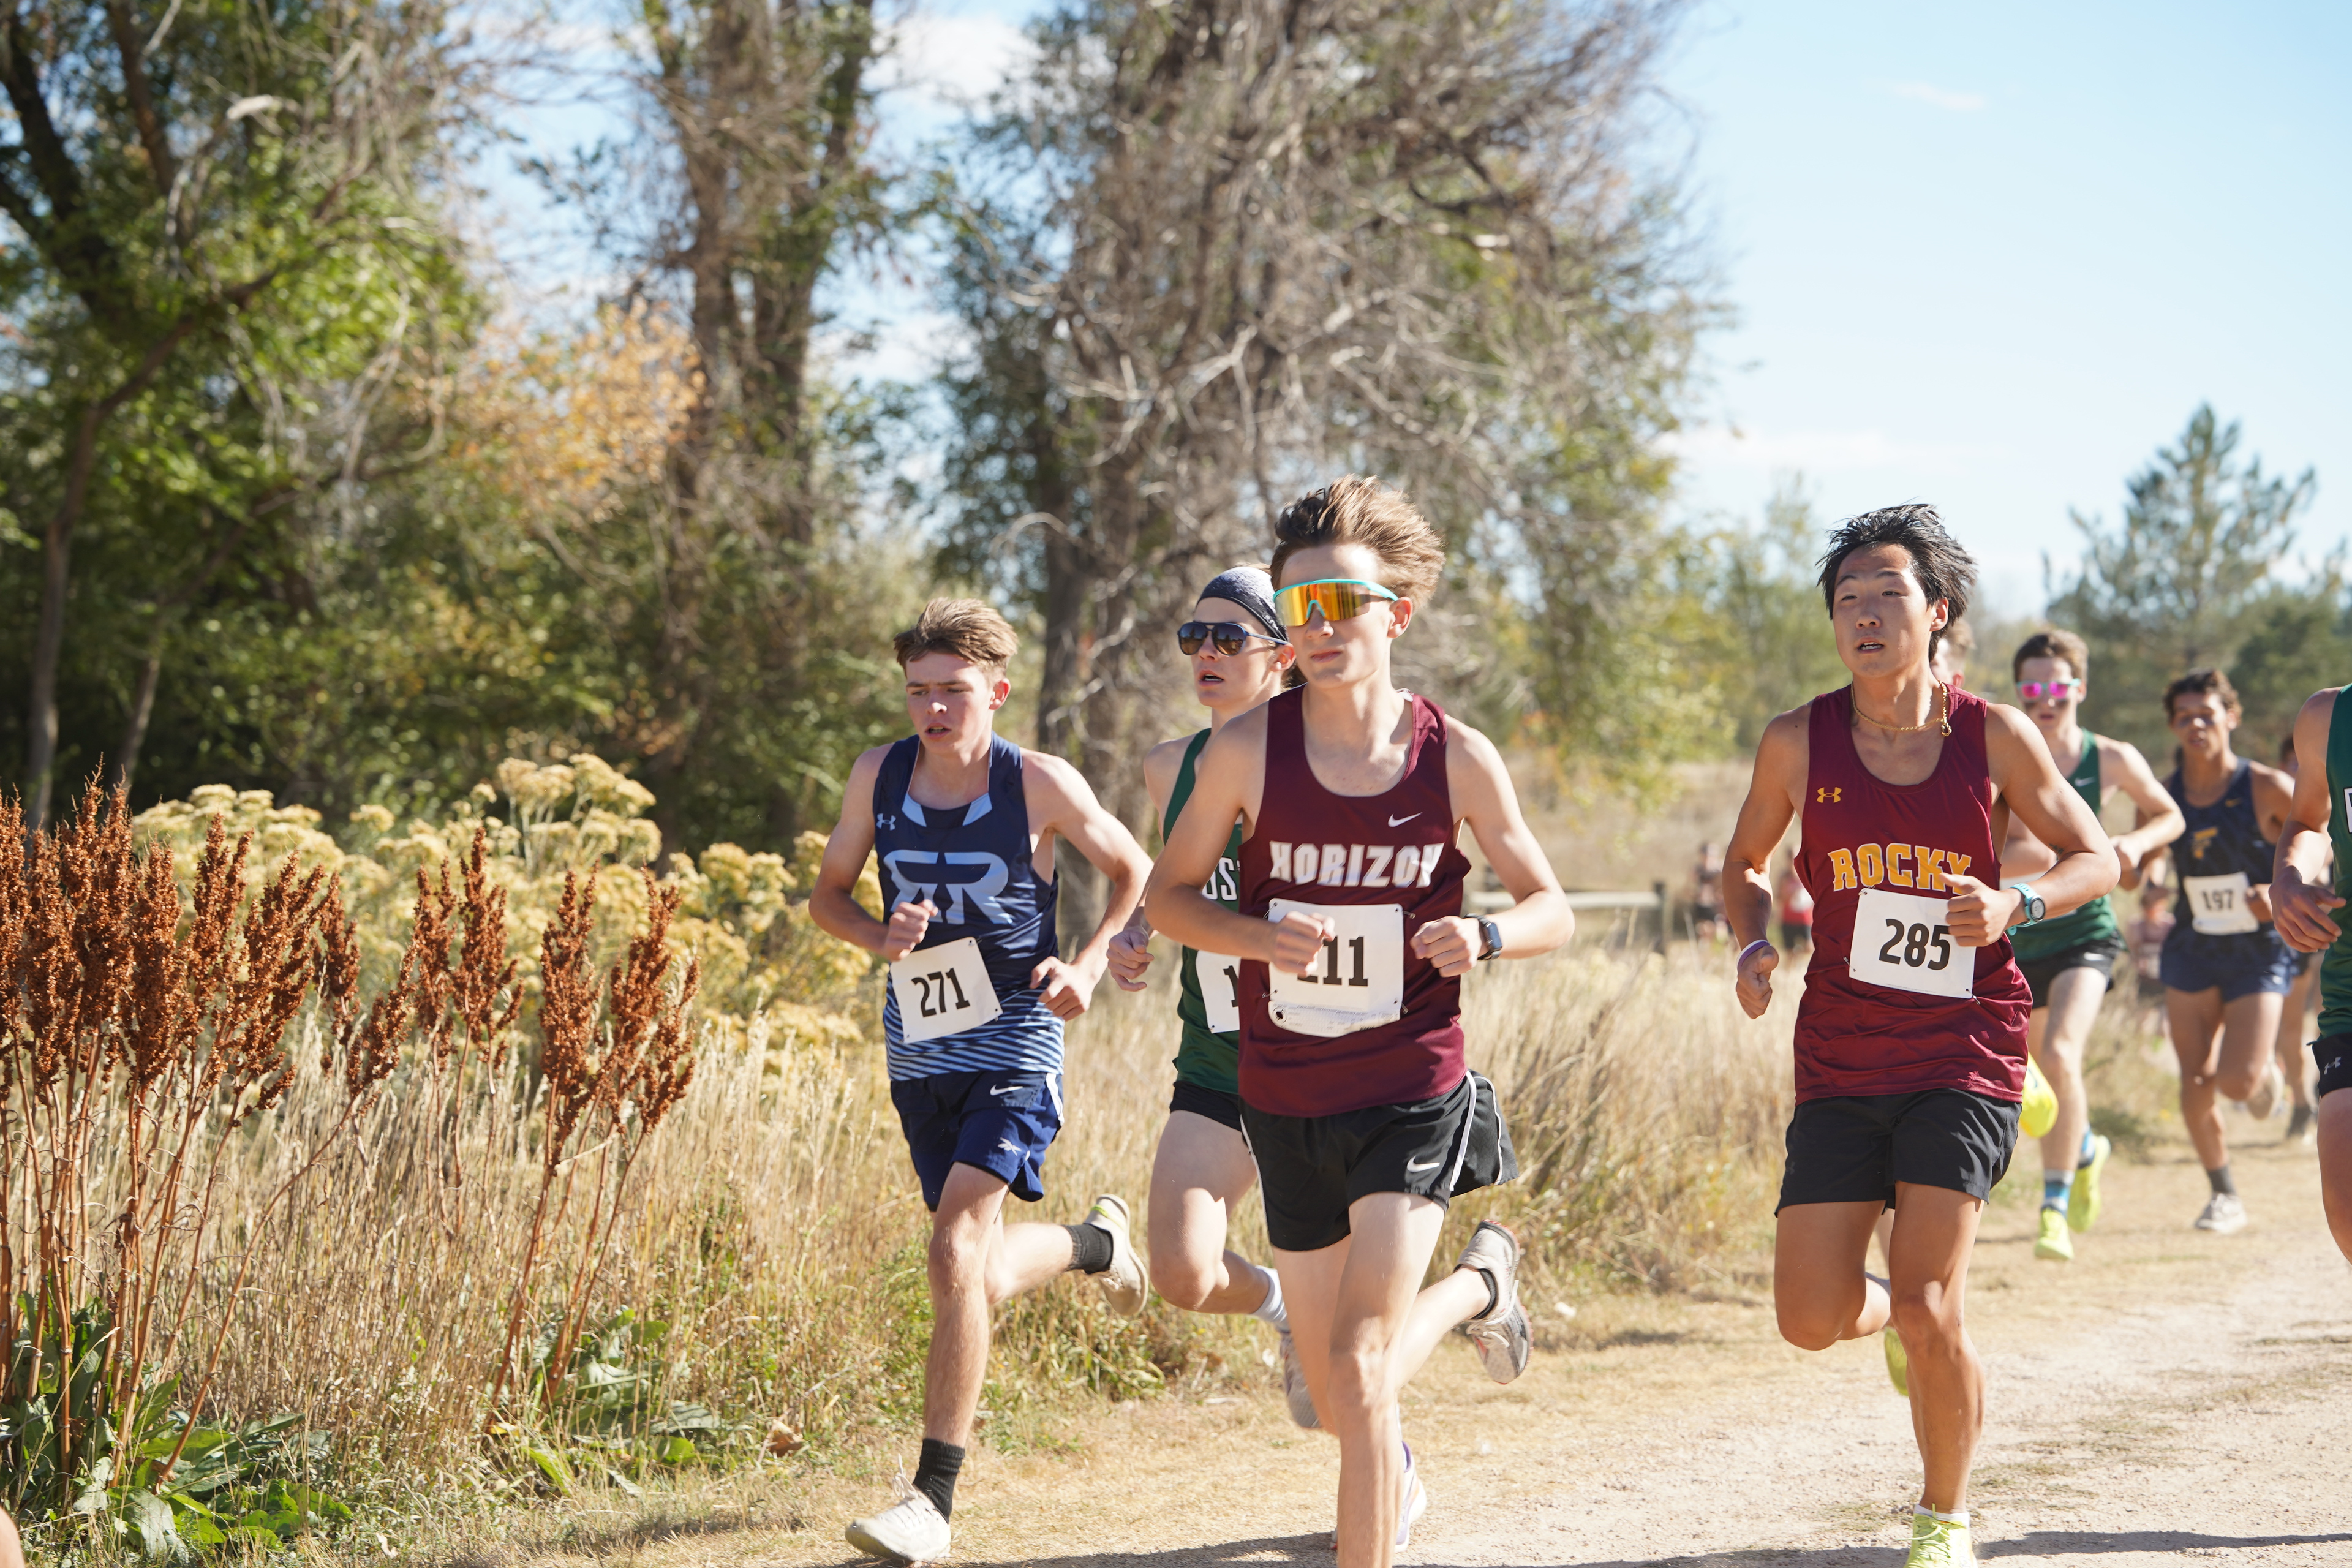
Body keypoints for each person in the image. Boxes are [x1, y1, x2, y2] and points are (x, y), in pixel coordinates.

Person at [1147, 477, 1575, 1567]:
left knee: (1369, 1363)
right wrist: (1254, 939)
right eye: (1301, 607)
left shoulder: (1456, 756)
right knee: (1340, 1395)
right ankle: (1483, 1286)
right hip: (1283, 1096)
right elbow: (1168, 897)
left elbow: (1550, 906)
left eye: (1345, 601)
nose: (1322, 626)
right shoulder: (1248, 751)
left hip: (1410, 1090)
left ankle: (1466, 1295)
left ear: (1398, 613)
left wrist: (1484, 939)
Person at [1724, 505, 2114, 1568]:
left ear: (1937, 614)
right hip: (1841, 1055)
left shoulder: (1993, 734)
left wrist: (2018, 907)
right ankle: (1900, 1319)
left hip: (1967, 1051)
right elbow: (1744, 864)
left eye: (1887, 595)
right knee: (1808, 1317)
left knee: (1935, 1304)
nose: (1864, 615)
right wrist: (1752, 945)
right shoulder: (1799, 740)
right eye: (1847, 600)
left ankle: (1943, 1518)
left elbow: (2098, 858)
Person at [812, 598, 1157, 1566]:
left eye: (953, 692)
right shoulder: (879, 775)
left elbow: (1132, 871)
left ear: (996, 693)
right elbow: (827, 896)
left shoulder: (1037, 783)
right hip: (920, 1046)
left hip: (1016, 1037)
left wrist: (1087, 966)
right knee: (973, 1268)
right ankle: (1096, 1243)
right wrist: (875, 934)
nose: (933, 709)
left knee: (956, 1245)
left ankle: (932, 1503)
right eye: (918, 691)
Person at [1105, 566, 1315, 1425]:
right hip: (1219, 1057)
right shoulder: (1170, 768)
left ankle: (1383, 1478)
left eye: (1231, 637)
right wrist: (1137, 931)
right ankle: (1284, 1312)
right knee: (1185, 1272)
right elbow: (1177, 878)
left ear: (1283, 656)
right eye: (1195, 637)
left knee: (1348, 1337)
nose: (1207, 653)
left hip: (1319, 1060)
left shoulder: (1320, 765)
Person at [1997, 630, 2183, 1261]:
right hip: (2016, 940)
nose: (2044, 700)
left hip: (2083, 934)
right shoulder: (2001, 754)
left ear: (2079, 687)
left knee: (2062, 1053)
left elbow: (2170, 813)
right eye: (2031, 689)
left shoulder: (2109, 757)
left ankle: (2053, 1209)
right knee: (2039, 1079)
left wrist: (2131, 845)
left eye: (2056, 687)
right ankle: (2085, 1148)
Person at [2141, 669, 2297, 1234]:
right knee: (2195, 1080)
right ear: (2174, 727)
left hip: (2257, 948)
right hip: (2192, 946)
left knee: (2235, 1083)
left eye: (2207, 713)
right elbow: (2151, 853)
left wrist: (2285, 885)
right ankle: (2223, 1193)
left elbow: (2316, 839)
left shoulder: (2266, 787)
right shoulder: (2164, 794)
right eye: (2185, 717)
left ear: (2231, 716)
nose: (2196, 725)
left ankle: (2263, 1075)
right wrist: (2152, 881)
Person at [2266, 684, 2352, 1264]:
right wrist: (2290, 879)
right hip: (2351, 983)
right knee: (2345, 1202)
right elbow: (2308, 820)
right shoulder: (2329, 717)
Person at [2273, 731, 2323, 1144]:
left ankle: (2331, 1089)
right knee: (2291, 1026)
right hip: (2298, 926)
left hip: (2338, 921)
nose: (2298, 771)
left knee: (2330, 1017)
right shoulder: (2272, 804)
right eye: (2294, 763)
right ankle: (2301, 1102)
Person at [1777, 859, 1815, 956]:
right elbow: (1779, 898)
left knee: (1810, 947)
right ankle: (1790, 969)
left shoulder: (1808, 874)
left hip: (1805, 919)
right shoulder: (1785, 878)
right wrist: (1791, 895)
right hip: (1789, 919)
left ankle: (1797, 952)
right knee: (1789, 952)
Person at [1693, 841, 1727, 942]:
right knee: (1703, 930)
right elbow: (1688, 888)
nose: (1708, 857)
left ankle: (1723, 950)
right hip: (1702, 904)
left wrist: (1719, 895)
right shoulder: (1698, 870)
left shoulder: (1720, 870)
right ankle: (1706, 953)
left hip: (1717, 906)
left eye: (1711, 855)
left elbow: (1725, 887)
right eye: (1706, 854)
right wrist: (1695, 893)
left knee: (1719, 930)